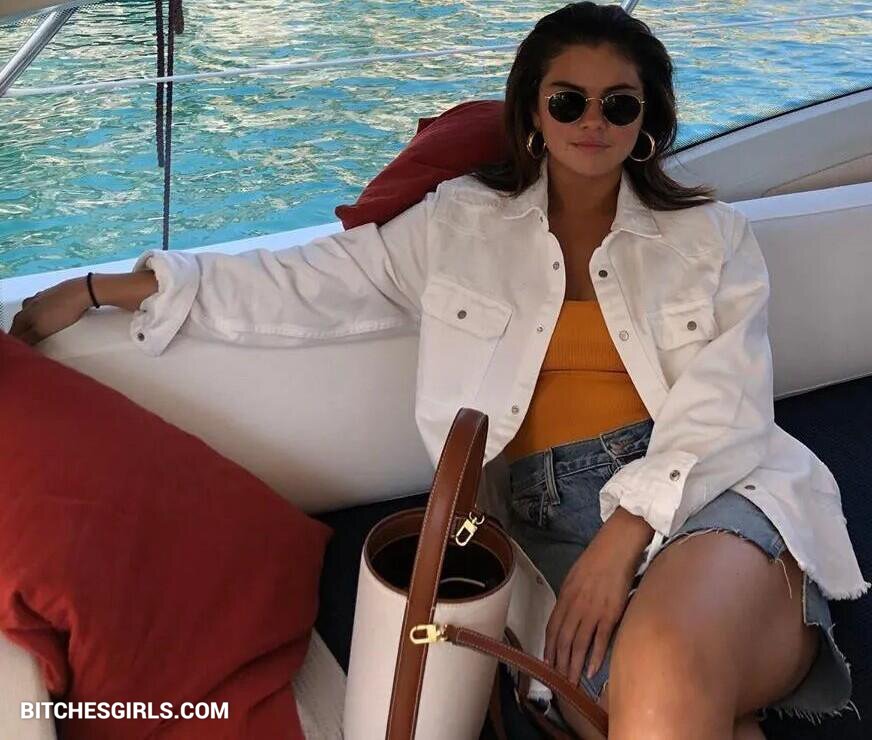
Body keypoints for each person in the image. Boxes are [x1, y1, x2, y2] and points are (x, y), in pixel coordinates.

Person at [10, 3, 866, 738]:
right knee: (664, 709)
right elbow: (305, 282)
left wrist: (623, 539)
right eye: (567, 100)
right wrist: (105, 287)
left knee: (666, 667)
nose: (592, 121)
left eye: (619, 104)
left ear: (648, 121)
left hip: (703, 488)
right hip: (541, 528)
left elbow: (726, 405)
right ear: (532, 112)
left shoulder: (710, 237)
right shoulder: (459, 225)